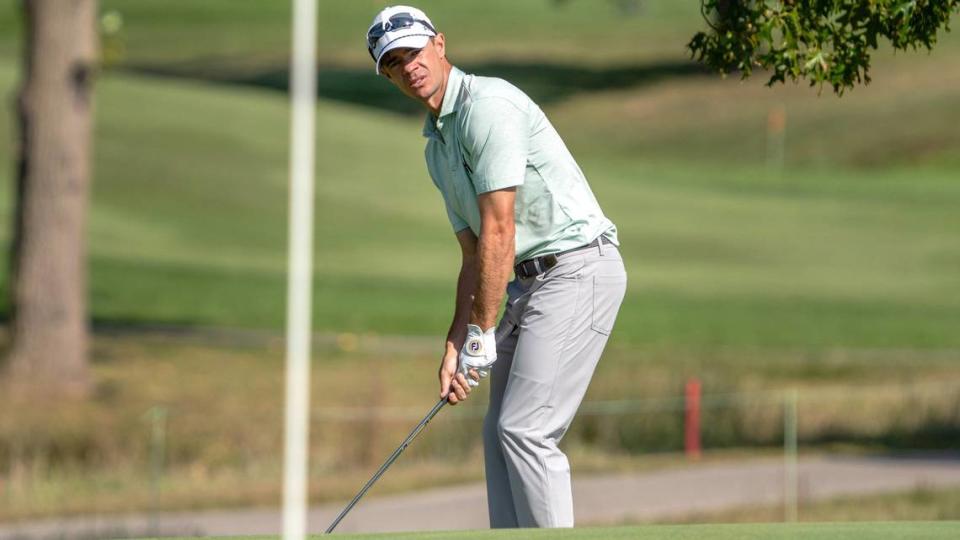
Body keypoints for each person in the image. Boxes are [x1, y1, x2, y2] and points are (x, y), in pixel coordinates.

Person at [366, 5, 627, 528]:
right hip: (530, 285)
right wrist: (456, 341)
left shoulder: (488, 106)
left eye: (413, 52)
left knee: (526, 429)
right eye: (394, 62)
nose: (408, 66)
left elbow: (501, 232)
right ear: (388, 74)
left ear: (439, 45)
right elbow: (474, 253)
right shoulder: (436, 147)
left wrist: (483, 334)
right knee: (497, 433)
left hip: (577, 268)